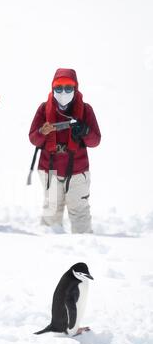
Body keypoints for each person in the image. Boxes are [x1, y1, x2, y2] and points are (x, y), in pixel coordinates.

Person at [29, 68, 101, 233]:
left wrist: (85, 131)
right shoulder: (43, 109)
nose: (63, 92)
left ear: (75, 89)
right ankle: (49, 249)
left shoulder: (86, 110)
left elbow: (95, 140)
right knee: (51, 213)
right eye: (58, 88)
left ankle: (85, 249)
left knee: (80, 212)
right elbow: (33, 138)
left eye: (68, 87)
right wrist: (42, 132)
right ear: (52, 88)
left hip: (77, 172)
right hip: (50, 170)